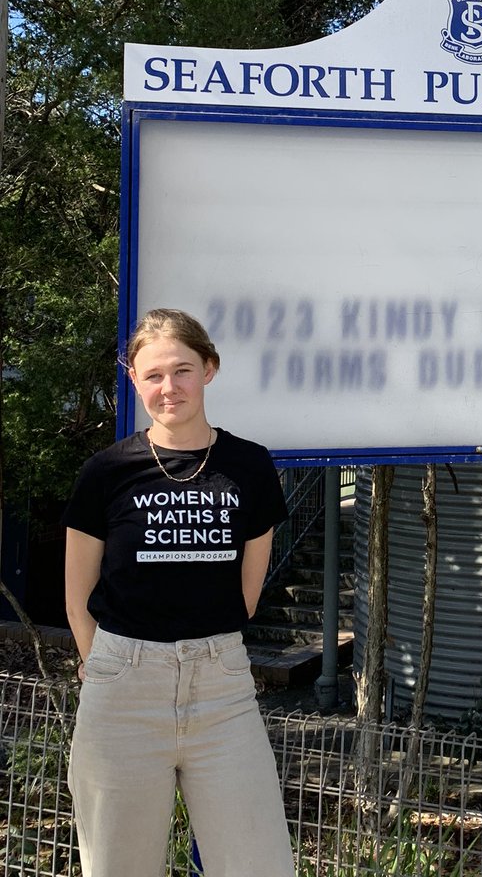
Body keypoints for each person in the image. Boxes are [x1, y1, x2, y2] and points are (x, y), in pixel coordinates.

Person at [63, 308, 296, 877]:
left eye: (183, 370)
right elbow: (76, 595)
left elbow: (248, 589)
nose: (169, 388)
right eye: (153, 375)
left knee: (257, 863)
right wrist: (108, 666)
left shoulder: (250, 465)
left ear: (210, 369)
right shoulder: (106, 472)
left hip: (222, 689)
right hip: (122, 689)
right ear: (135, 380)